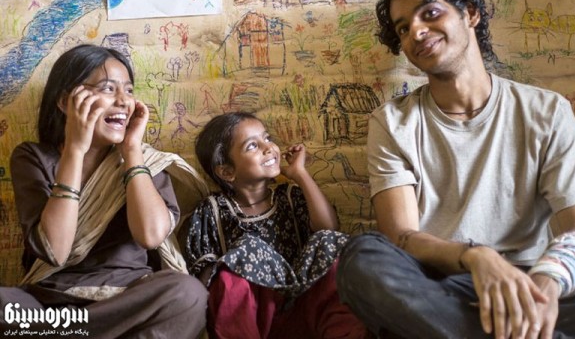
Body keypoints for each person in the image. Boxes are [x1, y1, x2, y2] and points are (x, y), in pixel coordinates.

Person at [335, 0, 575, 339]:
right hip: (443, 286)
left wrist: (546, 286)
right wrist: (476, 256)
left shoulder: (547, 111)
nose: (417, 32)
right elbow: (401, 235)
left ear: (470, 13)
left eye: (430, 13)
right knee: (361, 259)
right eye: (404, 28)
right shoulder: (392, 123)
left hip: (533, 282)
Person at [0, 44, 209, 338]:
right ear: (65, 101)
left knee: (188, 294)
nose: (123, 101)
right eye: (108, 89)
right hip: (51, 304)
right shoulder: (34, 157)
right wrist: (75, 149)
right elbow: (55, 251)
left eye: (129, 90)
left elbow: (150, 236)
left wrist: (132, 151)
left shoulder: (148, 161)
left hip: (128, 301)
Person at [179, 111, 369, 339]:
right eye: (252, 146)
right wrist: (245, 264)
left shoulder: (290, 196)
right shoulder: (212, 210)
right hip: (257, 320)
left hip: (304, 309)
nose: (268, 147)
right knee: (241, 255)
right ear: (227, 171)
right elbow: (205, 278)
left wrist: (299, 174)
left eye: (267, 138)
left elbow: (328, 227)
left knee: (329, 241)